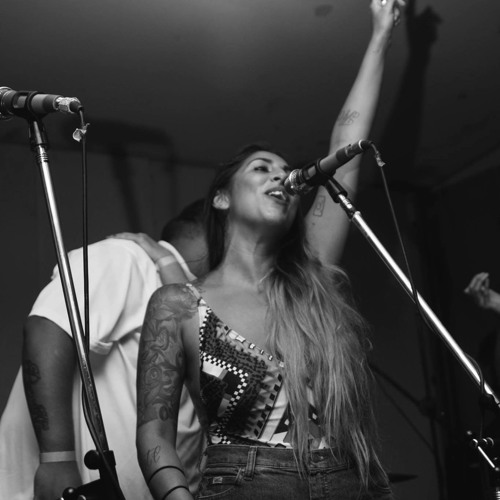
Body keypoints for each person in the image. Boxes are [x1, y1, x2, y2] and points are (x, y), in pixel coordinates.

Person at [136, 2, 403, 499]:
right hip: (245, 483)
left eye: (285, 171)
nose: (281, 177)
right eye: (261, 168)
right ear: (222, 198)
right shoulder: (178, 305)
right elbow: (154, 433)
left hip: (352, 480)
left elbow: (346, 152)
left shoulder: (312, 275)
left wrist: (380, 36)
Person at [0, 200, 208, 500]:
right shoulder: (127, 257)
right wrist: (57, 460)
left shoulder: (201, 301)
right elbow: (48, 327)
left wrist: (169, 265)